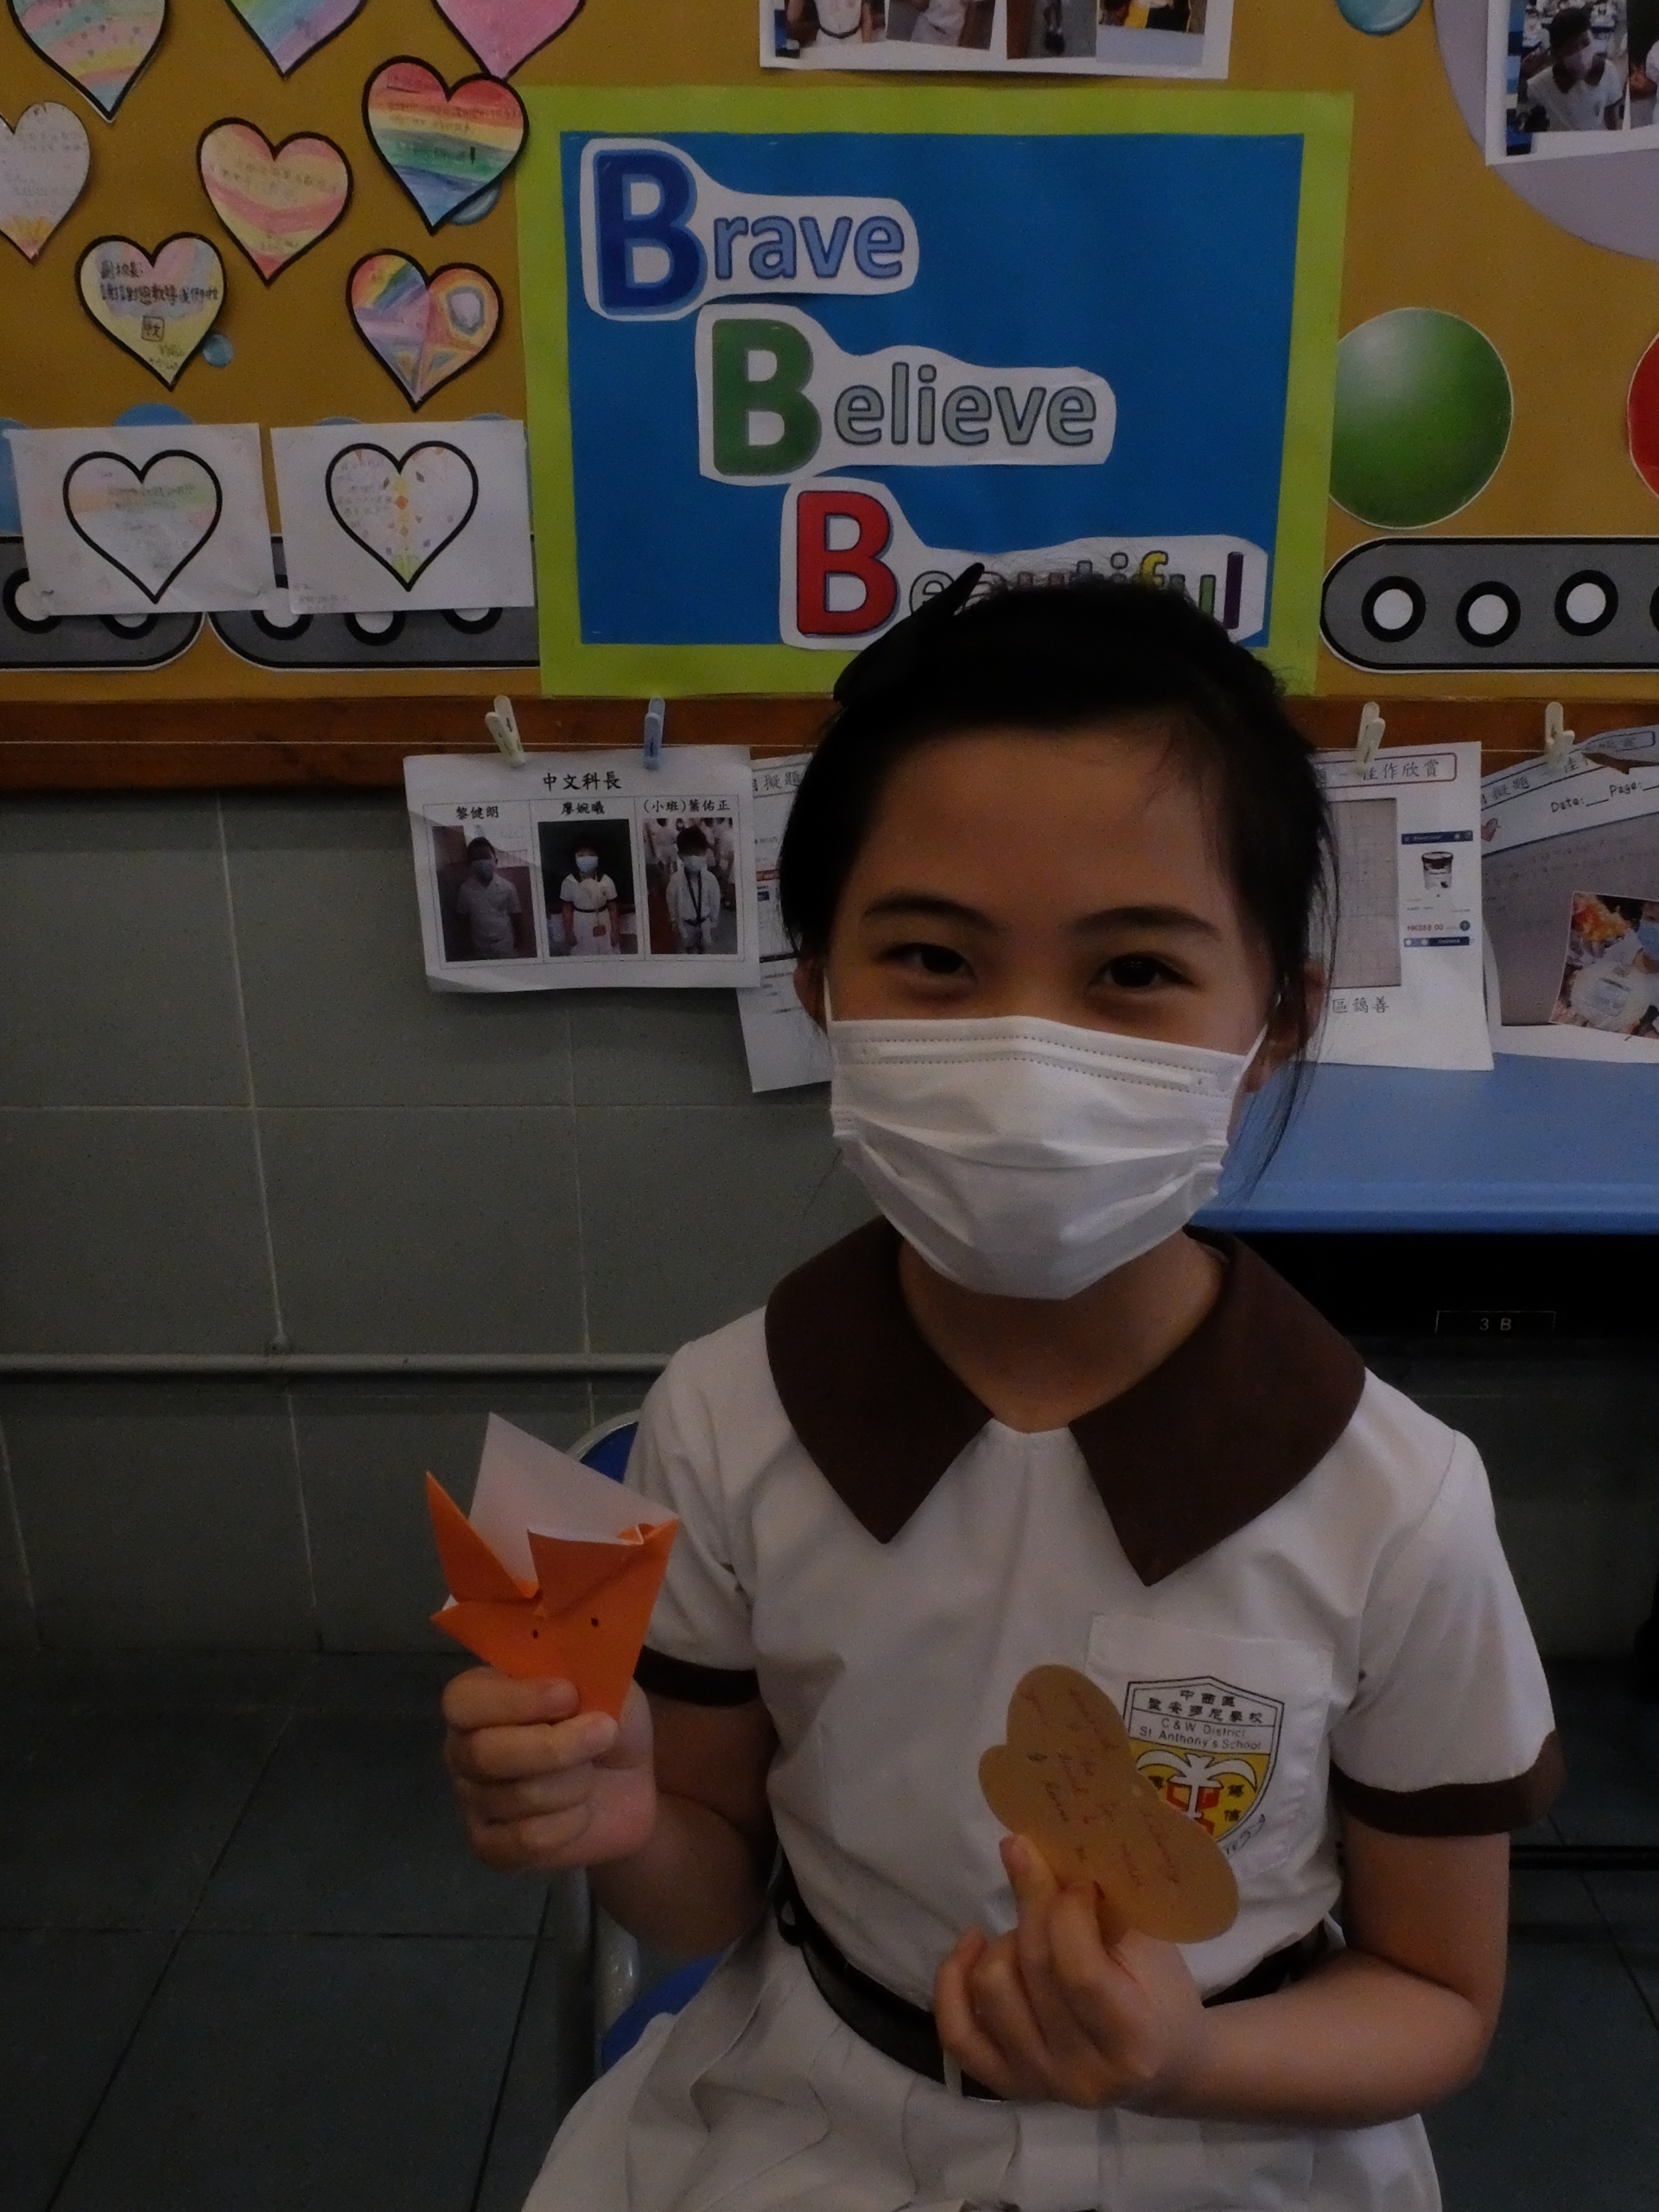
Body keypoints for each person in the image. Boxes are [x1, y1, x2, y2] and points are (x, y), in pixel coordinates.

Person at [442, 578, 1560, 2212]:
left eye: (1134, 971)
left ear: (1275, 1022)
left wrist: (1183, 2062)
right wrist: (624, 1827)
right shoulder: (725, 1420)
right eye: (934, 958)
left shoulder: (1394, 1500)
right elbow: (706, 1896)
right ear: (821, 991)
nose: (1028, 1052)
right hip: (814, 2125)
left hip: (1238, 2145)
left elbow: (1440, 1993)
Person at [1520, 7, 1625, 130]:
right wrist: (1523, 72)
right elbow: (1517, 97)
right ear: (1558, 54)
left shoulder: (1607, 71)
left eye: (1585, 43)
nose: (1581, 54)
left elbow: (1610, 113)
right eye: (1570, 49)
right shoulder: (1545, 81)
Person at [451, 836, 523, 959]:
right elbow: (463, 921)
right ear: (469, 864)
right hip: (479, 949)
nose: (482, 862)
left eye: (485, 857)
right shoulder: (465, 890)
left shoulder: (508, 887)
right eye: (476, 858)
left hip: (505, 946)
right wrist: (465, 949)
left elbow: (516, 916)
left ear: (496, 861)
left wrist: (520, 944)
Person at [664, 826, 724, 952]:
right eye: (689, 853)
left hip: (705, 921)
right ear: (680, 855)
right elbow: (671, 901)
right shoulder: (675, 880)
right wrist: (674, 921)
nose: (693, 858)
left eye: (697, 853)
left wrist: (714, 920)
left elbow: (715, 900)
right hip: (686, 924)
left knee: (704, 949)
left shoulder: (710, 879)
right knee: (689, 950)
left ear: (705, 853)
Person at [559, 836, 621, 957]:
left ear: (597, 857)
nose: (586, 859)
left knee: (607, 952)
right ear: (575, 858)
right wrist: (568, 932)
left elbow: (613, 907)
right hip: (580, 921)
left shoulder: (606, 880)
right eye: (581, 855)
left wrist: (615, 931)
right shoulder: (569, 882)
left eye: (591, 855)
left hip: (603, 920)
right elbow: (567, 909)